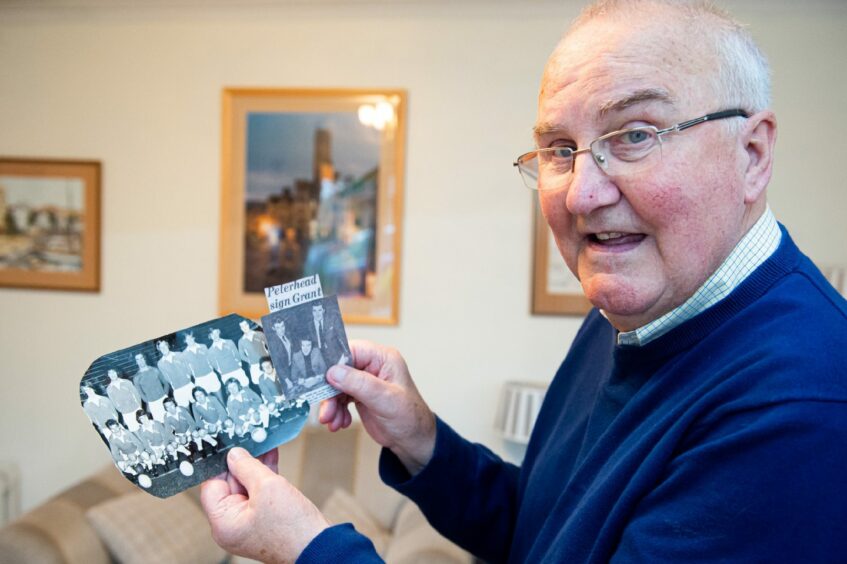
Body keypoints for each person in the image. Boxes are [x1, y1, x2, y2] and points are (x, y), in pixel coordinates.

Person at [200, 1, 847, 562]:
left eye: (635, 135)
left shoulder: (795, 408)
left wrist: (308, 549)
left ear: (752, 155)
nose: (583, 193)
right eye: (560, 150)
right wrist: (421, 438)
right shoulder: (627, 311)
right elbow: (543, 533)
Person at [182, 331, 223, 402]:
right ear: (185, 341)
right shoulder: (184, 354)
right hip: (199, 379)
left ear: (194, 338)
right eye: (187, 339)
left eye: (191, 338)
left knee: (220, 400)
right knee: (209, 401)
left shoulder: (203, 347)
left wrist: (217, 370)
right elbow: (188, 369)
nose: (190, 340)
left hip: (210, 375)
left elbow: (211, 360)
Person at [307, 302, 349, 366]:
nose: (317, 313)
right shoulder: (309, 326)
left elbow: (341, 337)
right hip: (320, 360)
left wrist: (346, 354)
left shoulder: (331, 320)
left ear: (323, 311)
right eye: (314, 311)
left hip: (336, 357)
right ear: (312, 312)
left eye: (319, 310)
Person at [132, 352, 170, 422]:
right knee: (160, 421)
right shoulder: (136, 377)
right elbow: (140, 394)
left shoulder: (154, 370)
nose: (140, 360)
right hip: (152, 403)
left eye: (141, 358)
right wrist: (149, 401)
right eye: (138, 359)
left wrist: (165, 395)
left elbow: (165, 383)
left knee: (169, 417)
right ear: (136, 362)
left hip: (163, 398)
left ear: (145, 359)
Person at [156, 340, 194, 408]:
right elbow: (166, 377)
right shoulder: (160, 363)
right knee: (185, 409)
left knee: (196, 404)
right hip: (177, 389)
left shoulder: (178, 354)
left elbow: (188, 366)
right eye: (161, 347)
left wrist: (188, 376)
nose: (164, 348)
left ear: (168, 345)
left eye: (164, 346)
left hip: (188, 384)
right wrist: (172, 383)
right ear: (159, 350)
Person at [237, 320, 269, 385]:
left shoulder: (259, 334)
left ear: (249, 325)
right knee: (259, 383)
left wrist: (268, 356)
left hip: (266, 362)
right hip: (254, 365)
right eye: (242, 326)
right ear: (241, 329)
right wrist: (250, 361)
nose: (244, 327)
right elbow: (241, 355)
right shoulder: (241, 341)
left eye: (245, 325)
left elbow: (270, 346)